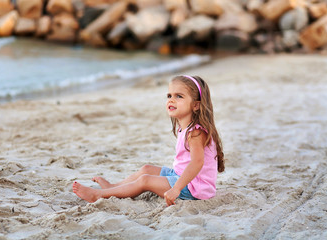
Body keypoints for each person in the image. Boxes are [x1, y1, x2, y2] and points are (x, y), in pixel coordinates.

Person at [73, 75, 225, 206]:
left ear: (196, 105)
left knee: (145, 180)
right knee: (146, 169)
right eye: (169, 96)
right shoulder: (184, 127)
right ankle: (113, 187)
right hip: (182, 177)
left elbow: (197, 163)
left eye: (179, 96)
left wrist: (176, 188)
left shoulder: (196, 133)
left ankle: (98, 195)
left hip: (194, 188)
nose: (171, 100)